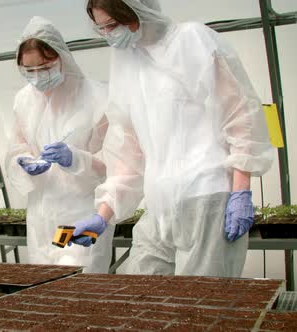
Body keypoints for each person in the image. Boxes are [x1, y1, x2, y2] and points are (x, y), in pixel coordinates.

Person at [71, 0, 274, 277]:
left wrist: (240, 191)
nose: (109, 35)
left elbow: (240, 116)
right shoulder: (127, 63)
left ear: (139, 10)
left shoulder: (191, 40)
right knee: (138, 294)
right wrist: (103, 215)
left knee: (200, 306)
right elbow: (127, 152)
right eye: (102, 29)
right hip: (159, 204)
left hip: (207, 197)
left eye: (113, 25)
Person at [5, 16, 114, 273]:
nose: (37, 77)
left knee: (78, 289)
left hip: (82, 213)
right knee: (45, 291)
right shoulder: (24, 101)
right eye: (28, 70)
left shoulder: (97, 98)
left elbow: (115, 162)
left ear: (61, 57)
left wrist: (76, 159)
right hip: (41, 217)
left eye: (44, 67)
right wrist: (22, 162)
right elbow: (17, 146)